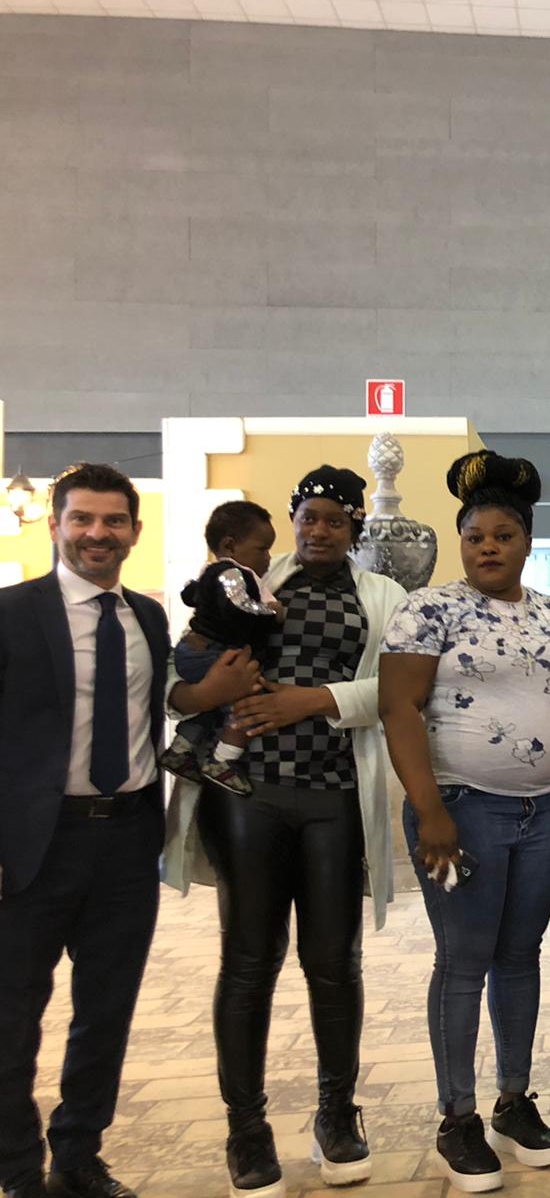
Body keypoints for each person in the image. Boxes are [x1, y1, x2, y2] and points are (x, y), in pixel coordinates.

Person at [163, 465, 408, 1198]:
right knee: (248, 961)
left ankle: (337, 1114)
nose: (318, 530)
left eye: (335, 519)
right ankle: (247, 1128)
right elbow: (182, 675)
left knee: (334, 961)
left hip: (334, 796)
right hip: (248, 795)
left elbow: (403, 687)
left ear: (356, 526)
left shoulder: (383, 596)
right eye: (308, 518)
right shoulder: (250, 579)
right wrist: (209, 692)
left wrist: (314, 699)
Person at [0, 466, 227, 1198]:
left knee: (106, 1012)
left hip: (126, 840)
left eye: (113, 520)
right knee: (10, 1019)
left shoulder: (148, 619)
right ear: (55, 526)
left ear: (133, 530)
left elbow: (166, 703)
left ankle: (77, 1159)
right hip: (31, 847)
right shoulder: (11, 613)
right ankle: (16, 1171)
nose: (97, 533)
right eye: (82, 519)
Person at [380, 451, 550, 1191]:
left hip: (546, 808)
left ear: (527, 542)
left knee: (521, 955)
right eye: (474, 536)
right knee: (463, 960)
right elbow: (398, 707)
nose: (488, 547)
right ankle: (456, 1116)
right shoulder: (428, 609)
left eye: (503, 535)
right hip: (462, 807)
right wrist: (429, 808)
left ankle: (513, 1101)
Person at [160, 500, 281, 795]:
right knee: (248, 700)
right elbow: (238, 606)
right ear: (230, 545)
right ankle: (223, 761)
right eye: (262, 549)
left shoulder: (211, 572)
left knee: (212, 707)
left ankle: (180, 750)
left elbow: (190, 594)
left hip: (196, 650)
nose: (268, 558)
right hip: (208, 652)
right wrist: (273, 612)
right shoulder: (231, 573)